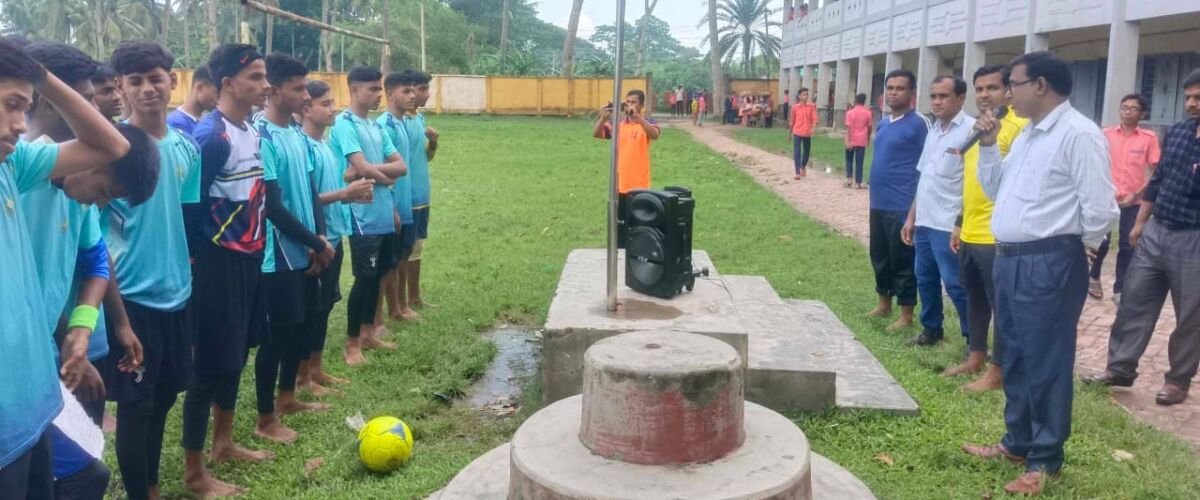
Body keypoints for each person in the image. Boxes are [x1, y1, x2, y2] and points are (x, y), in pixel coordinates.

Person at [963, 51, 1117, 495]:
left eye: (1013, 84)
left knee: (1046, 360)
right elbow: (996, 189)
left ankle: (1045, 459)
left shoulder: (1078, 135)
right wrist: (987, 145)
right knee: (1013, 353)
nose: (1007, 94)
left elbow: (1100, 208)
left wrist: (1076, 250)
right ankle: (1017, 441)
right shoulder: (1028, 134)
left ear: (1041, 85)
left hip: (1049, 261)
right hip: (1010, 259)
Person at [0, 39, 130, 500]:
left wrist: (37, 72)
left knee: (85, 477)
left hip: (33, 406)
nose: (19, 123)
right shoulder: (23, 169)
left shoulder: (13, 166)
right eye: (11, 105)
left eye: (25, 107)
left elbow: (112, 144)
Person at [21, 41, 153, 429]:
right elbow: (25, 284)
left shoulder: (73, 183)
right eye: (85, 100)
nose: (95, 111)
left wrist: (82, 330)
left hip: (58, 347)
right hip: (27, 355)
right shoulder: (20, 178)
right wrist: (70, 342)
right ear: (46, 102)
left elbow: (95, 256)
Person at [100, 40, 201, 500]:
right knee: (136, 405)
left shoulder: (187, 148)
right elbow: (93, 232)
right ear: (120, 87)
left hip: (176, 294)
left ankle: (153, 486)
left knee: (163, 397)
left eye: (155, 78)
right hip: (130, 298)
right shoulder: (111, 149)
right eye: (135, 81)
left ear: (172, 81)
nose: (147, 89)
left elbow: (189, 220)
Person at [184, 43, 273, 497]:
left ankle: (224, 443)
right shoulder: (210, 138)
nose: (265, 85)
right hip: (217, 265)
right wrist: (199, 267)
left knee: (236, 354)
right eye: (255, 77)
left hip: (249, 259)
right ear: (227, 84)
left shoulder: (250, 130)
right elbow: (190, 208)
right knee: (208, 367)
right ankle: (194, 472)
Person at [1083, 69, 1200, 407]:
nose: (1191, 104)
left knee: (1190, 316)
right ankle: (1119, 368)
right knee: (1134, 301)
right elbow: (1159, 178)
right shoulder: (1178, 132)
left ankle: (1177, 381)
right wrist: (1140, 222)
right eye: (1188, 97)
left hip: (1193, 239)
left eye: (1198, 98)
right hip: (1157, 231)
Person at [252, 52, 336, 452]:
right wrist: (313, 243)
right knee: (277, 335)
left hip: (305, 250)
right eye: (298, 88)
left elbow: (311, 192)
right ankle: (265, 417)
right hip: (277, 255)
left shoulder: (299, 137)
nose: (305, 96)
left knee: (300, 326)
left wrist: (320, 240)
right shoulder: (262, 136)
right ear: (273, 90)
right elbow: (271, 205)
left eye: (306, 88)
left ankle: (288, 397)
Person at [944, 64, 1029, 390]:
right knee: (975, 297)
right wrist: (959, 222)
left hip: (998, 235)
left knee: (1002, 305)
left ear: (1008, 90)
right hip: (970, 230)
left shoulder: (1019, 127)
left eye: (992, 88)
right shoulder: (977, 128)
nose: (984, 95)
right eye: (979, 89)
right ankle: (976, 356)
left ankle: (999, 370)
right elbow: (971, 181)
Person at [297, 79, 373, 394]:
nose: (334, 109)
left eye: (332, 102)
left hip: (335, 235)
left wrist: (347, 182)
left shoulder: (324, 145)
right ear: (306, 108)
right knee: (311, 309)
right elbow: (304, 198)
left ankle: (316, 370)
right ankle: (301, 378)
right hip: (316, 240)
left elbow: (325, 187)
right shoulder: (303, 147)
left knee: (325, 305)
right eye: (325, 104)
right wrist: (345, 193)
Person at [330, 66, 408, 366]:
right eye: (373, 89)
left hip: (382, 212)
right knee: (364, 279)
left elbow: (401, 166)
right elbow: (360, 166)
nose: (378, 94)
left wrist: (372, 174)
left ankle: (367, 332)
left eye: (379, 88)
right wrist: (385, 177)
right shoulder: (344, 124)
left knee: (378, 276)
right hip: (361, 215)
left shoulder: (375, 127)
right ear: (354, 90)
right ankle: (351, 344)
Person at [901, 76, 973, 347]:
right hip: (925, 221)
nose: (937, 102)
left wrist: (960, 222)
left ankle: (973, 340)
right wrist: (911, 218)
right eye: (934, 96)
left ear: (960, 99)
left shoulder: (970, 131)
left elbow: (973, 184)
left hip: (948, 223)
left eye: (944, 96)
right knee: (925, 277)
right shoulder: (934, 130)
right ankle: (931, 329)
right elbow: (925, 178)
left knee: (955, 283)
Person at [867, 70, 928, 331]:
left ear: (912, 93)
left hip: (902, 204)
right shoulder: (883, 123)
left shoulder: (919, 124)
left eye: (900, 88)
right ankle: (884, 302)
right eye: (890, 88)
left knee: (902, 258)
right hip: (878, 202)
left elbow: (928, 165)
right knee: (879, 255)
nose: (893, 93)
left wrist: (914, 208)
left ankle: (906, 313)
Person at [1087, 94, 1160, 303]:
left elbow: (1155, 172)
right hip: (1106, 198)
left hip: (1134, 200)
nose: (1127, 112)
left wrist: (1136, 194)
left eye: (1133, 108)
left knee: (1128, 245)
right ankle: (1094, 276)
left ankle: (1120, 289)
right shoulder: (1105, 134)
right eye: (1124, 107)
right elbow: (1094, 163)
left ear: (1142, 113)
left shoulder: (1148, 138)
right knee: (1100, 241)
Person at [592, 89, 660, 247]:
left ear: (641, 105)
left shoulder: (647, 122)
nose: (630, 105)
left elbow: (655, 135)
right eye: (628, 102)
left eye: (634, 102)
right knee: (621, 228)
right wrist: (603, 118)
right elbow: (596, 133)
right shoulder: (619, 125)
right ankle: (621, 254)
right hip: (620, 185)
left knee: (639, 227)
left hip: (640, 186)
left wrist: (638, 118)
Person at [377, 71, 419, 324]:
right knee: (389, 262)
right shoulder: (385, 125)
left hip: (405, 204)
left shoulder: (402, 122)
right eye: (406, 91)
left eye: (413, 91)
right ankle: (390, 311)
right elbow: (382, 169)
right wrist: (391, 207)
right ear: (390, 93)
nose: (412, 96)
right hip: (391, 206)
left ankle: (400, 305)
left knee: (402, 255)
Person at [403, 70, 438, 311]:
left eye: (427, 88)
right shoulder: (398, 122)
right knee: (405, 250)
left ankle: (414, 297)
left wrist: (433, 143)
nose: (427, 94)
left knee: (417, 247)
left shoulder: (418, 118)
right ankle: (400, 303)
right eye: (422, 89)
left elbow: (425, 157)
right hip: (407, 197)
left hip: (422, 195)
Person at [167, 64, 218, 137]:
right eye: (216, 93)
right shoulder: (176, 123)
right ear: (200, 87)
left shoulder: (202, 119)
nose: (219, 99)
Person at [843, 93, 872, 189]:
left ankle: (849, 179)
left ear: (855, 101)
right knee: (860, 161)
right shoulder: (868, 113)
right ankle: (858, 183)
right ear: (864, 101)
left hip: (851, 139)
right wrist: (868, 138)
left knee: (849, 159)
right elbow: (869, 127)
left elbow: (848, 127)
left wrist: (848, 140)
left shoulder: (850, 113)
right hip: (862, 139)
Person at [790, 88, 817, 180]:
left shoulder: (811, 106)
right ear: (799, 96)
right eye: (804, 94)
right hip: (797, 132)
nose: (806, 96)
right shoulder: (794, 107)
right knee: (797, 152)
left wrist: (813, 128)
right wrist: (790, 134)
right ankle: (797, 172)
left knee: (806, 152)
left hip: (807, 132)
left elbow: (814, 119)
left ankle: (803, 165)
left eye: (806, 94)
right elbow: (792, 121)